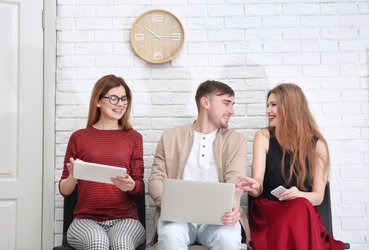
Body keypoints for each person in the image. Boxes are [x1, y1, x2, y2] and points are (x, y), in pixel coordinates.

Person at [236, 83, 345, 250]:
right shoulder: (263, 136)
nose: (268, 111)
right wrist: (254, 186)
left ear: (291, 107)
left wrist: (299, 195)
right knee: (301, 208)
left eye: (274, 105)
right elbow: (258, 185)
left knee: (301, 205)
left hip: (302, 212)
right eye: (268, 105)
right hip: (269, 212)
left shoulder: (318, 144)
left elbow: (318, 196)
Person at [148, 80, 249, 250]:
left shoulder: (236, 141)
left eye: (232, 104)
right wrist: (171, 205)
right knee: (170, 237)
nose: (231, 111)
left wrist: (232, 205)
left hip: (219, 218)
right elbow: (156, 180)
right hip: (178, 218)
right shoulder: (170, 137)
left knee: (228, 239)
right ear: (205, 103)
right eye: (226, 103)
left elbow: (236, 181)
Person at [59, 74, 146, 250]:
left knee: (122, 245)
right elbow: (64, 190)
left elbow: (139, 188)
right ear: (98, 101)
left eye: (124, 98)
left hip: (126, 219)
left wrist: (131, 186)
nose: (120, 103)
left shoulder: (134, 138)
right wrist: (73, 176)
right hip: (85, 220)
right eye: (113, 98)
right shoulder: (79, 137)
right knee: (98, 243)